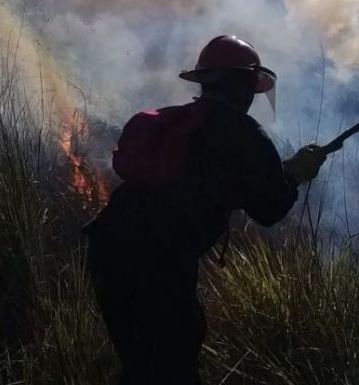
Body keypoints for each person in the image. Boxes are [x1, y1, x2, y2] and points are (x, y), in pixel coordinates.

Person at [83, 35, 327, 385]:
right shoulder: (243, 133)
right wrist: (297, 175)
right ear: (243, 86)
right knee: (173, 365)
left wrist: (282, 172)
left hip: (107, 247)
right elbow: (270, 208)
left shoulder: (180, 121)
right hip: (158, 264)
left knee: (141, 363)